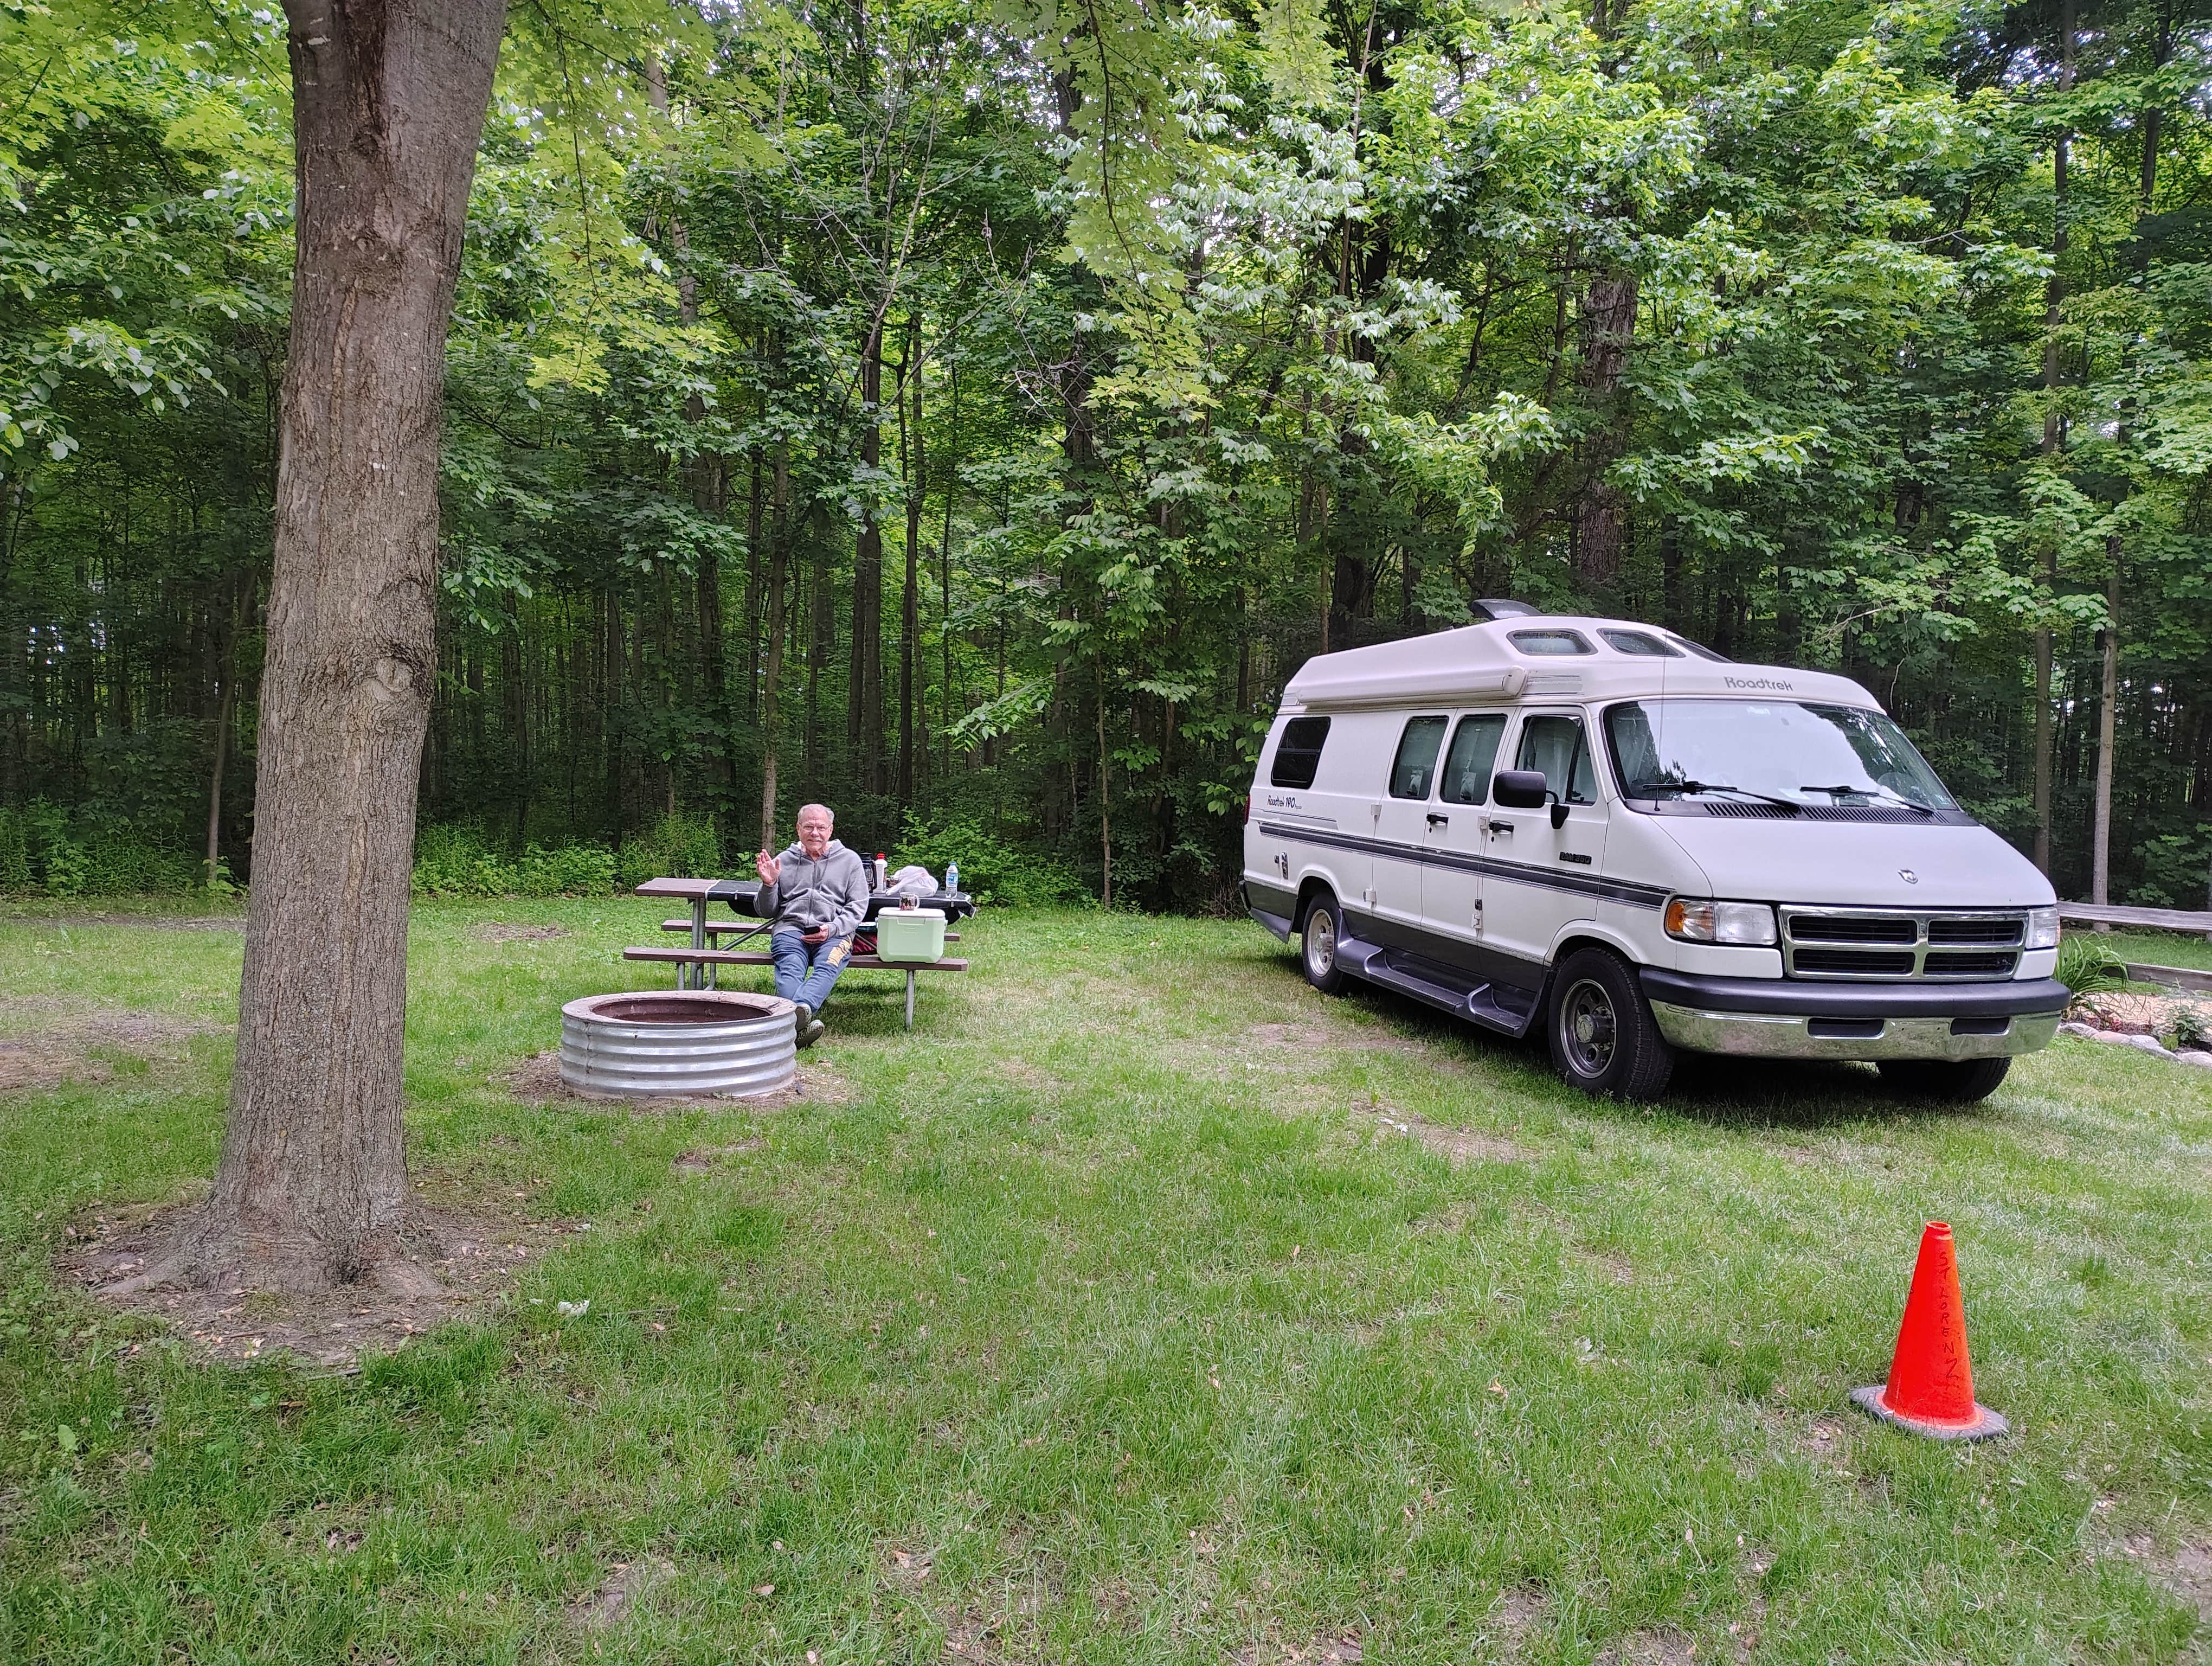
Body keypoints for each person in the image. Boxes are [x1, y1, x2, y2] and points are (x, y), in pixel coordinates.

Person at [754, 803, 871, 1048]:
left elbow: (858, 907)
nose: (814, 833)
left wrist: (834, 928)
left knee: (828, 966)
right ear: (798, 829)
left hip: (835, 932)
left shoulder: (850, 860)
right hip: (791, 930)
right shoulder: (782, 861)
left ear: (830, 830)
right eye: (809, 827)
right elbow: (766, 910)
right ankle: (798, 1026)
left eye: (820, 827)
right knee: (790, 968)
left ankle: (794, 1016)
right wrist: (769, 885)